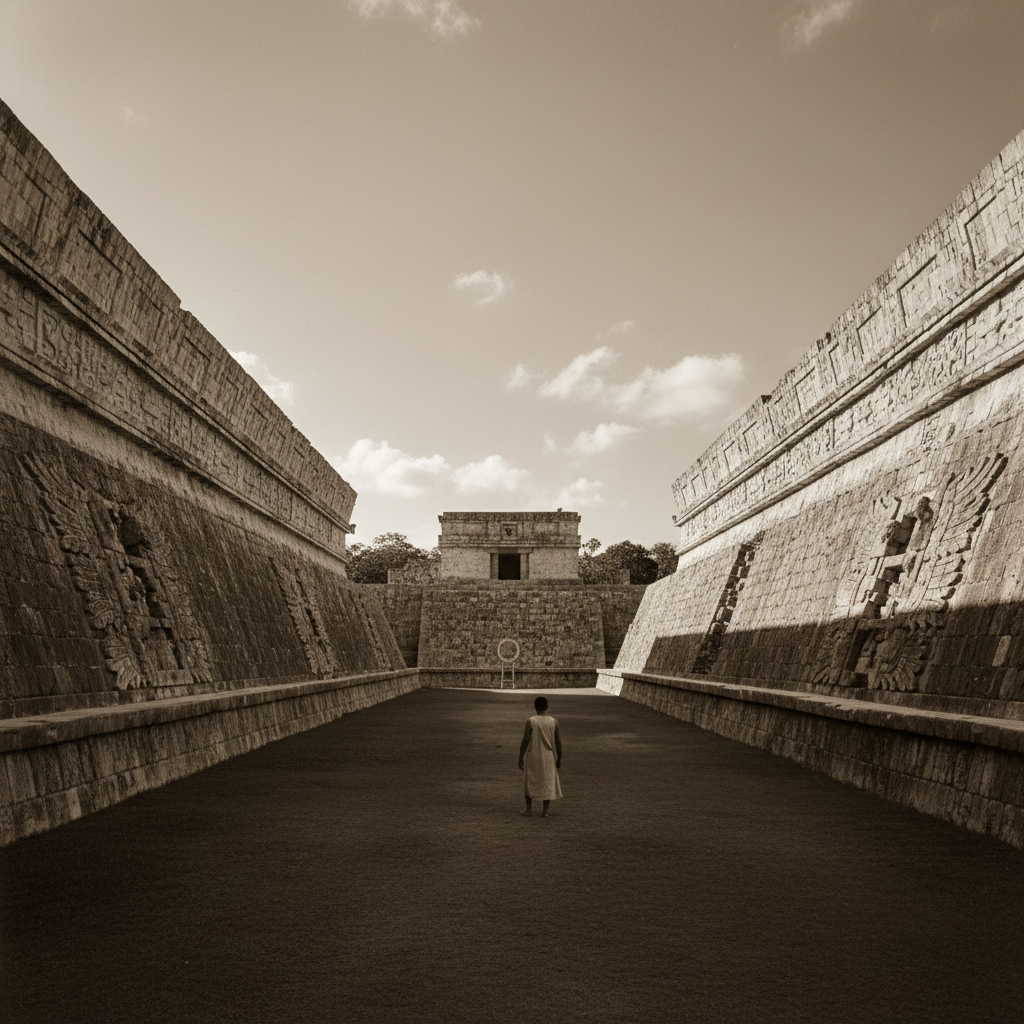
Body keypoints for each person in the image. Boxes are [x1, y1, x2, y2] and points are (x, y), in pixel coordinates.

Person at [518, 696, 562, 816]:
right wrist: (559, 759)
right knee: (547, 781)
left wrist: (520, 757)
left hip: (534, 754)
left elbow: (525, 741)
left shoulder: (531, 721)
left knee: (530, 780)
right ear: (547, 707)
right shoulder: (554, 722)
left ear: (535, 707)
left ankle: (529, 809)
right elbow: (559, 742)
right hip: (548, 756)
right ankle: (545, 812)